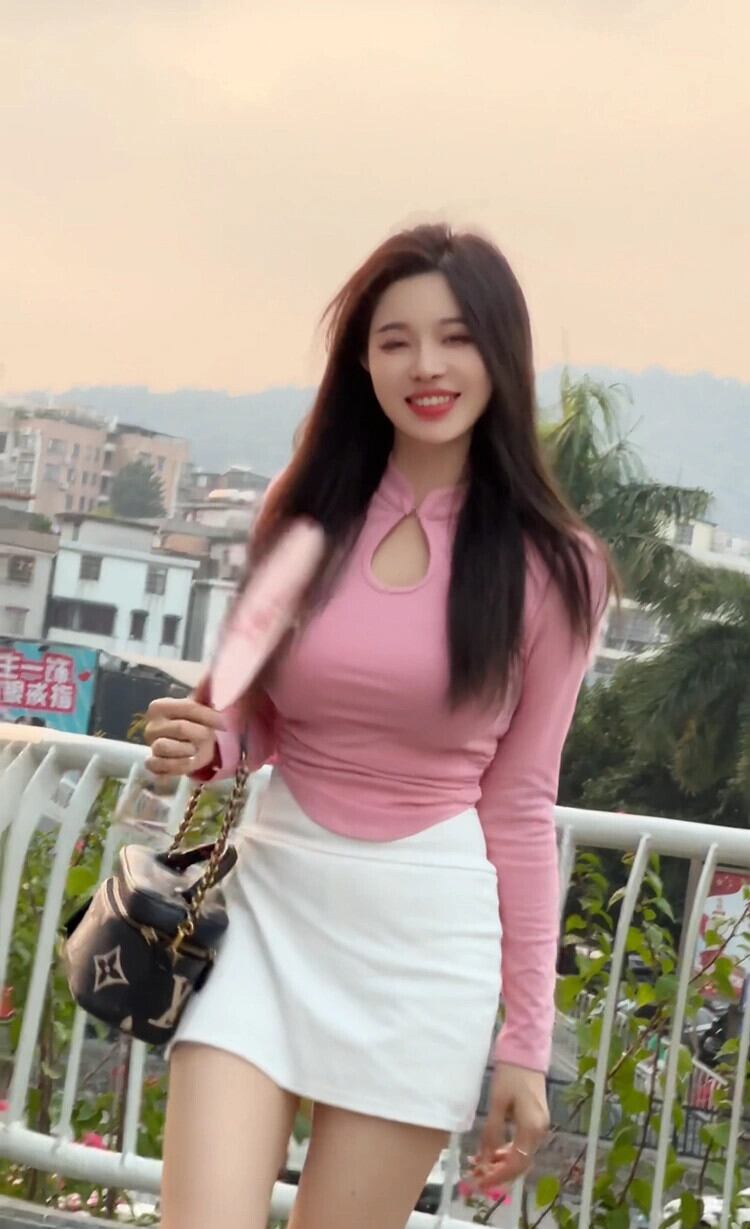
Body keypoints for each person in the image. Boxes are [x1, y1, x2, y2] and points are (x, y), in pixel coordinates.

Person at [144, 222, 614, 1229]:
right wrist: (205, 740)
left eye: (455, 337)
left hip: (420, 949)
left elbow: (521, 803)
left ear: (501, 353)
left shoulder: (556, 566)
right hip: (268, 909)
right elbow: (246, 710)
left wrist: (525, 1046)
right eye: (395, 340)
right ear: (362, 361)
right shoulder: (302, 512)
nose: (426, 365)